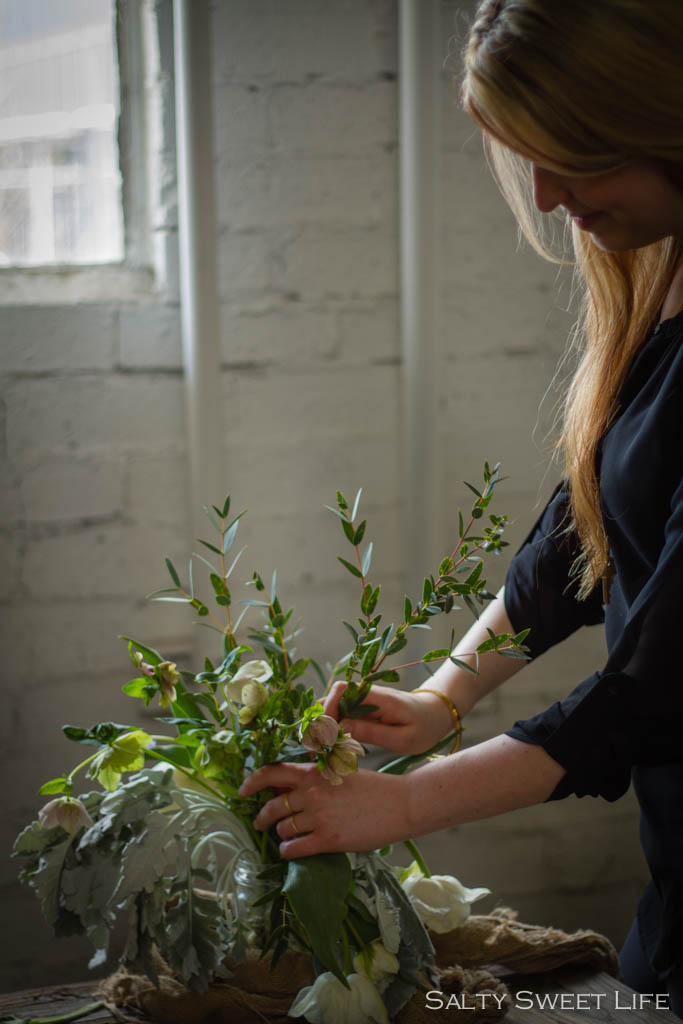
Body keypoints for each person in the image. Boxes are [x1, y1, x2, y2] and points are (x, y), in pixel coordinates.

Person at [240, 0, 683, 1012]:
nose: (544, 192)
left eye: (571, 152)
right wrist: (443, 695)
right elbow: (592, 523)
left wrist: (401, 802)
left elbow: (658, 682)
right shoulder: (663, 273)